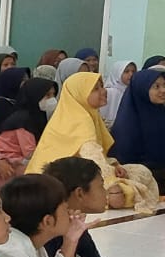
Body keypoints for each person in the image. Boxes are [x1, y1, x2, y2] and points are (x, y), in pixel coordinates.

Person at [27, 70, 159, 212]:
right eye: (95, 89)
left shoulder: (86, 113)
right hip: (63, 180)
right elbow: (92, 157)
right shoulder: (80, 119)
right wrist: (111, 183)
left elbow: (93, 154)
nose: (104, 91)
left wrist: (113, 164)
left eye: (101, 86)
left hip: (74, 172)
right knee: (127, 186)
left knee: (139, 171)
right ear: (80, 94)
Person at [108, 65, 165, 183]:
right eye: (156, 86)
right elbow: (124, 162)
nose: (163, 90)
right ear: (142, 89)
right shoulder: (128, 124)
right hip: (140, 181)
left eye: (164, 85)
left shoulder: (160, 113)